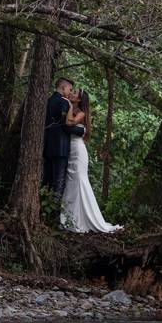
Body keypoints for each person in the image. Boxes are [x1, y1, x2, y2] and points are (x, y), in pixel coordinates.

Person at [61, 89, 122, 233]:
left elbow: (69, 123)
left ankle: (82, 219)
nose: (71, 93)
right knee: (71, 183)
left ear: (80, 100)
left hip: (78, 152)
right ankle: (69, 217)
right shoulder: (72, 109)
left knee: (79, 182)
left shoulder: (81, 113)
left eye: (75, 93)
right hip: (70, 150)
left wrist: (69, 106)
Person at [41, 78, 86, 224]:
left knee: (47, 180)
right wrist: (81, 130)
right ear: (63, 87)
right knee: (59, 182)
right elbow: (66, 125)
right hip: (60, 147)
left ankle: (42, 212)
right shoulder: (63, 102)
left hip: (48, 147)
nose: (70, 92)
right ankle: (54, 218)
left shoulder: (48, 100)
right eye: (70, 89)